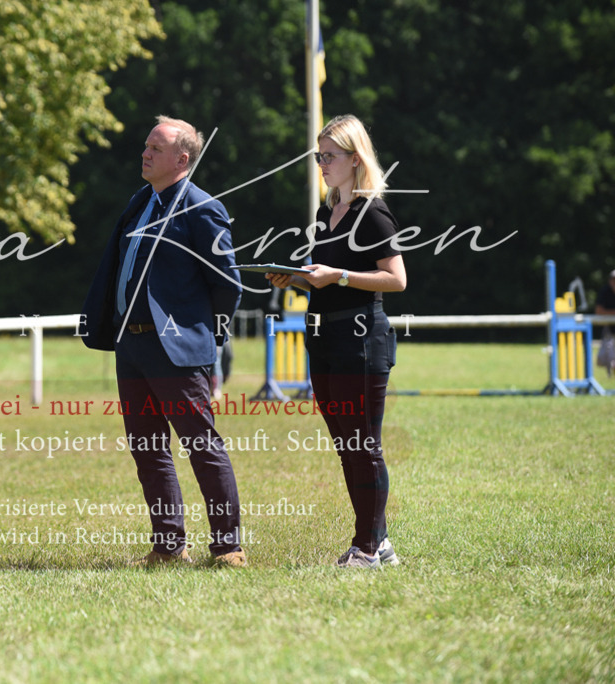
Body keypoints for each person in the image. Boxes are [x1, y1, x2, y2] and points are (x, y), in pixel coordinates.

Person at [80, 115, 246, 567]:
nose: (145, 153)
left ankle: (228, 546)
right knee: (148, 449)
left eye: (155, 147)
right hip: (131, 347)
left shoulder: (202, 207)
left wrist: (204, 339)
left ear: (182, 159)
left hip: (175, 348)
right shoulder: (140, 202)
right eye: (146, 145)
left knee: (201, 447)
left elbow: (227, 284)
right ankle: (169, 545)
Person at [266, 114, 407, 569]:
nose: (321, 163)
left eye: (328, 156)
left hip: (361, 340)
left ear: (354, 158)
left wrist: (339, 275)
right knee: (348, 445)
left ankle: (368, 546)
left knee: (363, 444)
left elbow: (396, 279)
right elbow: (324, 281)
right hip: (324, 339)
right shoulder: (326, 212)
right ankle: (377, 542)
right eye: (318, 155)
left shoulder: (374, 211)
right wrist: (296, 279)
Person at [595, 269, 615, 375]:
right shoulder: (605, 291)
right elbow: (599, 311)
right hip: (609, 332)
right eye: (613, 280)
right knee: (602, 360)